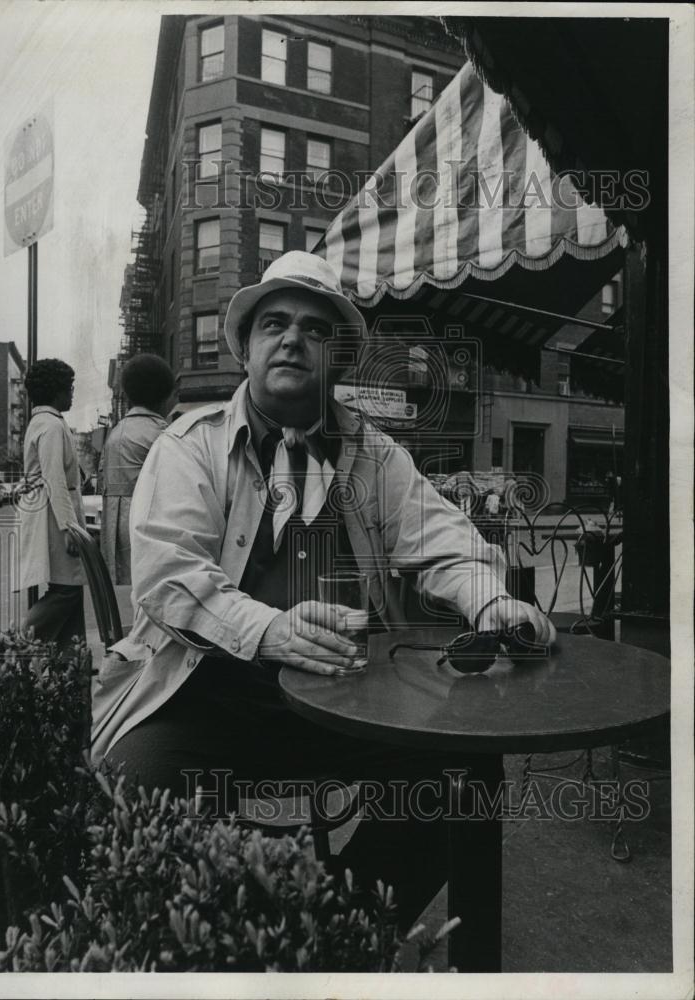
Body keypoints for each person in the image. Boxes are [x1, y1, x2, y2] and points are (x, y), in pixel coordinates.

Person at [92, 251, 555, 931]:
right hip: (204, 693)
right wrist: (272, 631)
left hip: (344, 701)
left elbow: (446, 542)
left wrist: (490, 599)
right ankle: (213, 945)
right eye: (274, 323)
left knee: (467, 780)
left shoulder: (375, 454)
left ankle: (336, 929)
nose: (292, 339)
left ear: (337, 357)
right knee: (134, 779)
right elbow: (168, 577)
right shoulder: (188, 446)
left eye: (315, 329)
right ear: (245, 348)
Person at [18, 359, 86, 656]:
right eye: (69, 388)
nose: (72, 394)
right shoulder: (50, 425)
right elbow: (54, 478)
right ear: (56, 391)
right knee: (67, 589)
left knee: (73, 588)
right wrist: (68, 527)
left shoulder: (44, 422)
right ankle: (15, 644)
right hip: (53, 515)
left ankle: (72, 669)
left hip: (50, 511)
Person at [99, 354, 174, 584]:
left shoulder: (114, 434)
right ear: (165, 395)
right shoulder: (163, 435)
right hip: (150, 527)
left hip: (114, 530)